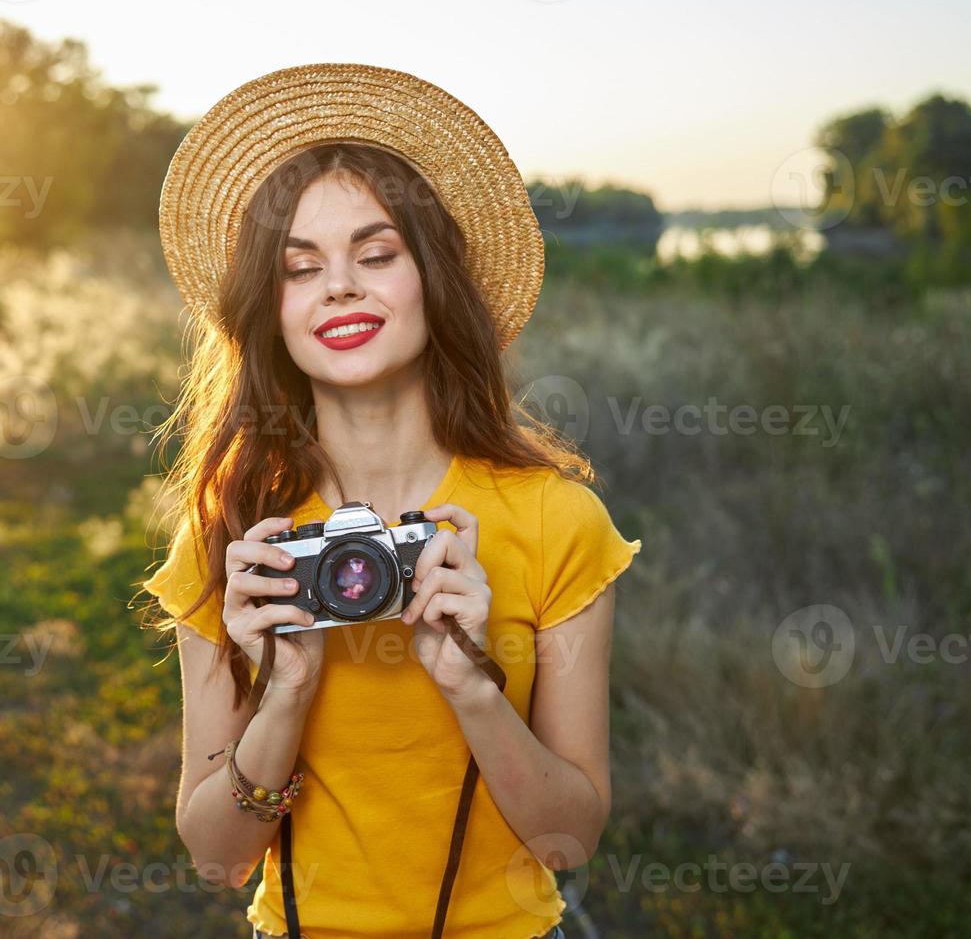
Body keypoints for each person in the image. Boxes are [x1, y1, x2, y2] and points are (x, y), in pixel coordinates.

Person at [140, 63, 641, 939]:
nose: (340, 286)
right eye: (301, 269)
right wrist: (285, 692)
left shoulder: (556, 520)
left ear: (431, 280)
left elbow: (569, 842)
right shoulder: (237, 533)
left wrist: (472, 686)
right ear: (274, 311)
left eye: (376, 255)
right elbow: (218, 858)